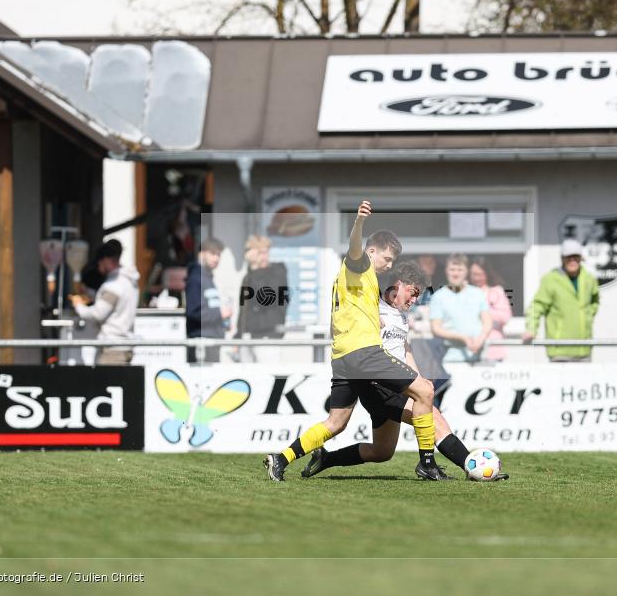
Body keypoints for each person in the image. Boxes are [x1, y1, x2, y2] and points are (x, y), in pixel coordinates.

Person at [263, 200, 442, 481]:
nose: (390, 265)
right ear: (372, 251)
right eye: (387, 258)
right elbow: (355, 248)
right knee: (426, 390)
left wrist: (375, 318)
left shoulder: (357, 281)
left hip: (343, 356)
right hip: (364, 353)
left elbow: (346, 312)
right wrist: (359, 222)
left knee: (336, 423)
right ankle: (428, 464)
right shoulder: (359, 265)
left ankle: (280, 459)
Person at [300, 261, 509, 481]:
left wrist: (418, 379)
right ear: (398, 285)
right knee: (434, 418)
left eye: (418, 295)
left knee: (382, 451)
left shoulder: (400, 314)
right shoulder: (373, 310)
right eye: (413, 293)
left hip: (395, 385)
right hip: (379, 385)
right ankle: (471, 467)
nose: (415, 299)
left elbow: (404, 348)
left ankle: (326, 459)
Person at [522, 239, 600, 362]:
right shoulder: (551, 279)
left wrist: (588, 315)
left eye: (575, 256)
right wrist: (531, 329)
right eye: (568, 257)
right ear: (562, 258)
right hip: (560, 351)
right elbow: (537, 306)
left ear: (581, 258)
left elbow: (595, 301)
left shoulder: (589, 278)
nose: (572, 260)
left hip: (585, 350)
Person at [69, 239, 140, 366]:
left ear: (107, 260)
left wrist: (78, 305)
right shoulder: (129, 281)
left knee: (106, 385)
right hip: (125, 346)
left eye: (99, 262)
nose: (98, 266)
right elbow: (113, 305)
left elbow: (97, 314)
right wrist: (91, 294)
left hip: (112, 349)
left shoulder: (113, 285)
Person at [429, 254, 493, 363]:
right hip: (450, 357)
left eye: (460, 269)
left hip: (479, 355)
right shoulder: (438, 296)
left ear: (466, 271)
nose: (456, 273)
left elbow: (487, 322)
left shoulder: (478, 293)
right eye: (452, 269)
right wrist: (462, 338)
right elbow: (435, 328)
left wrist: (481, 339)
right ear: (446, 271)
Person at [237, 235, 288, 363]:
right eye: (258, 253)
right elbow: (244, 309)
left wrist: (254, 268)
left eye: (265, 252)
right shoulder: (249, 276)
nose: (262, 257)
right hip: (248, 336)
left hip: (268, 335)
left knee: (268, 376)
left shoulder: (278, 271)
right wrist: (238, 335)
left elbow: (265, 298)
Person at [185, 238, 231, 363]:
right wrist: (219, 314)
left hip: (211, 340)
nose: (216, 258)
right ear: (201, 253)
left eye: (219, 255)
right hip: (201, 341)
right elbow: (193, 311)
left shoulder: (208, 278)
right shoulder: (196, 278)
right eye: (212, 253)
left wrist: (223, 321)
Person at [469, 257, 512, 362]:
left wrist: (484, 312)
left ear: (487, 273)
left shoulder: (496, 291)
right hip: (471, 347)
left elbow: (506, 317)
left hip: (493, 347)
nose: (476, 278)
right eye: (473, 274)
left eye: (479, 274)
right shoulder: (466, 292)